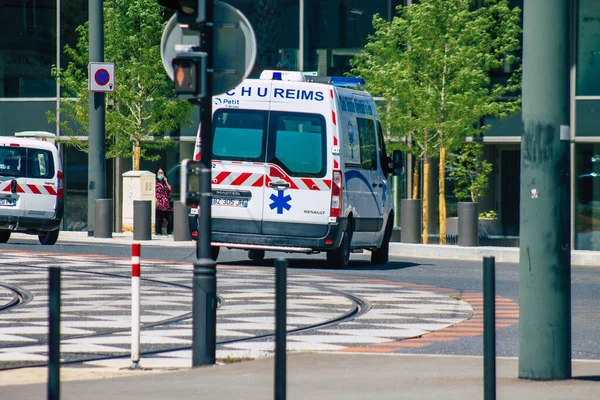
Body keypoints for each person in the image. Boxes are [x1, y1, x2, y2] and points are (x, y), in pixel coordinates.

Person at [155, 167, 173, 235]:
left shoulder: (164, 183)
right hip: (159, 203)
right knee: (159, 219)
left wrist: (166, 181)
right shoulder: (155, 182)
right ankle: (158, 232)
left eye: (162, 173)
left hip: (166, 204)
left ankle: (169, 232)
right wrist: (155, 199)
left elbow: (170, 189)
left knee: (170, 219)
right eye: (159, 173)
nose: (160, 174)